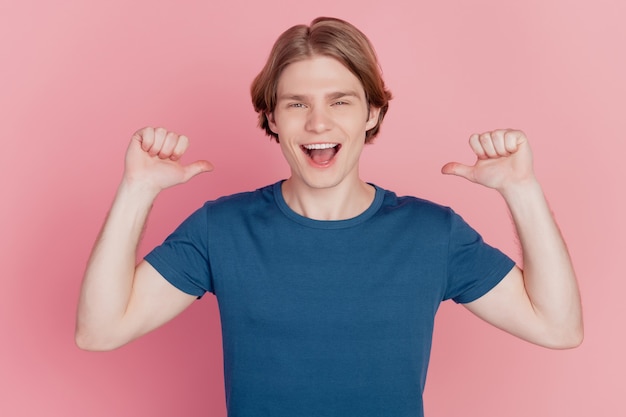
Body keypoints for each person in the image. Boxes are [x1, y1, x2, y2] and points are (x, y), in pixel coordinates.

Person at [75, 16, 583, 417]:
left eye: (340, 100)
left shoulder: (433, 233)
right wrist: (137, 189)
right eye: (297, 103)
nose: (318, 122)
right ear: (272, 117)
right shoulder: (221, 228)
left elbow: (558, 327)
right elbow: (99, 332)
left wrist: (521, 190)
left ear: (372, 113)